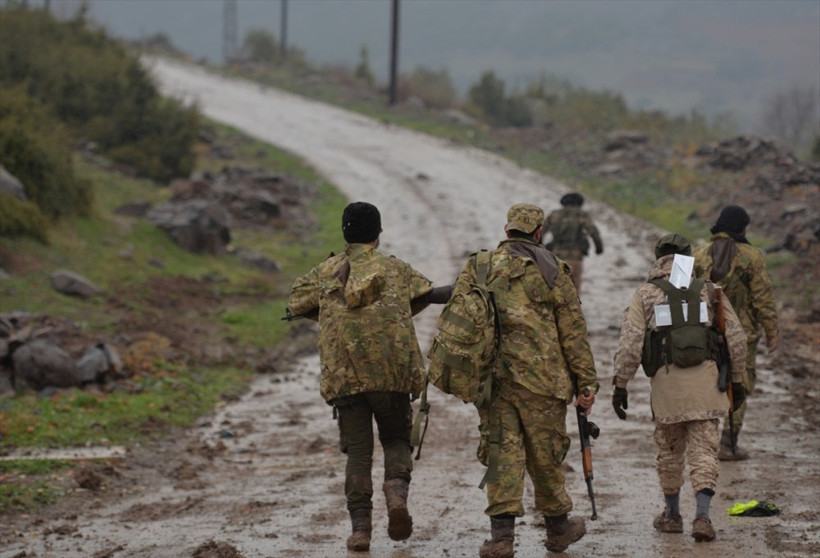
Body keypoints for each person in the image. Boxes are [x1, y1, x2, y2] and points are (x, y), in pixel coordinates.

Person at [287, 201, 452, 552]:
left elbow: (296, 303)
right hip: (391, 374)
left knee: (358, 454)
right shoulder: (395, 269)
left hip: (344, 377)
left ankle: (360, 530)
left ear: (345, 233)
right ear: (377, 235)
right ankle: (396, 496)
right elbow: (428, 294)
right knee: (395, 440)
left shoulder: (326, 271)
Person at [451, 203, 598, 557]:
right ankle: (558, 529)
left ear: (507, 231)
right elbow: (573, 332)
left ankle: (502, 539)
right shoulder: (553, 269)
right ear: (538, 233)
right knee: (545, 455)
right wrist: (586, 383)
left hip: (495, 382)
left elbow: (460, 313)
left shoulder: (480, 266)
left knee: (503, 456)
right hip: (544, 382)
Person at [611, 233, 747, 543]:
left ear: (657, 256)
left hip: (667, 389)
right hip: (707, 386)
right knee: (704, 452)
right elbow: (737, 340)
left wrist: (621, 384)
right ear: (689, 257)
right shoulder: (709, 291)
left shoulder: (645, 294)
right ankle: (703, 516)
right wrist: (736, 383)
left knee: (670, 452)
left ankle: (672, 515)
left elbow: (630, 343)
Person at [693, 205, 779, 461]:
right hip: (743, 334)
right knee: (738, 382)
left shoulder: (698, 254)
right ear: (742, 228)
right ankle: (729, 443)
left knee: (707, 383)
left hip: (704, 332)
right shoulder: (752, 257)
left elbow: (682, 294)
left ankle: (705, 442)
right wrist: (772, 331)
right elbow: (763, 297)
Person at [542, 192, 603, 293]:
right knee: (574, 286)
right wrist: (599, 248)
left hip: (556, 256)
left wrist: (540, 250)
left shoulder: (554, 215)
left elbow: (540, 232)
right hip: (575, 256)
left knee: (555, 286)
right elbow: (593, 232)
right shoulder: (581, 215)